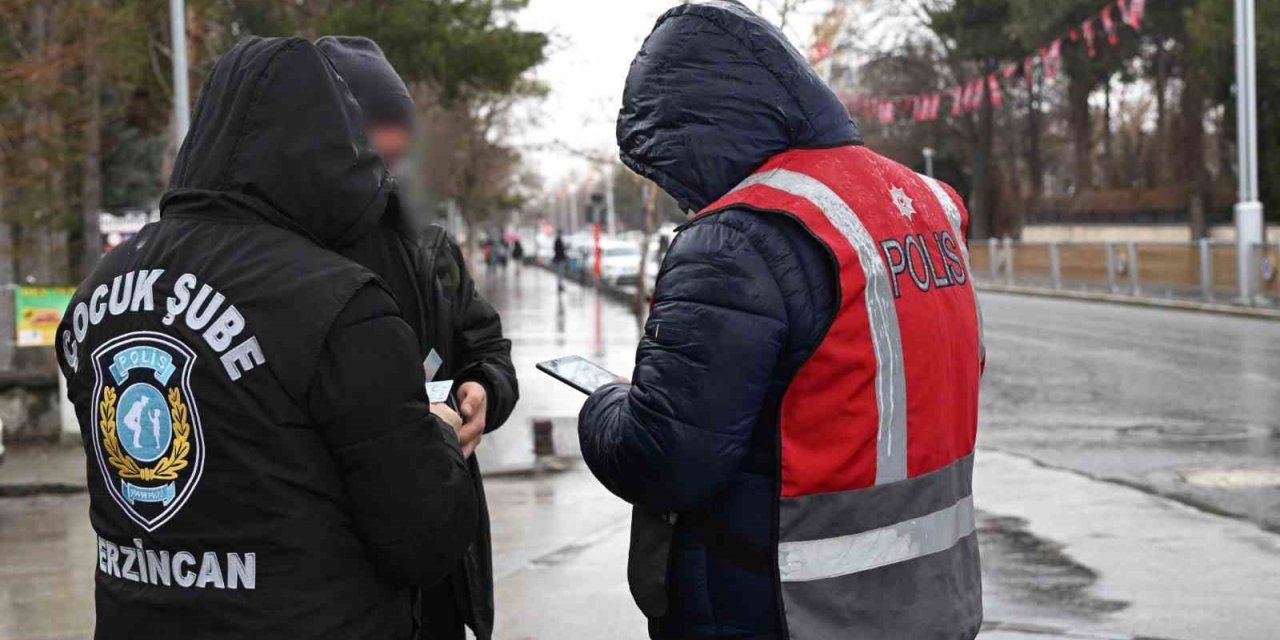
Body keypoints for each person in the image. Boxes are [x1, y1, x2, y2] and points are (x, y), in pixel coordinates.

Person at [578, 2, 985, 639]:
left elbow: (664, 461)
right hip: (933, 599)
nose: (678, 193)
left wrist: (603, 406)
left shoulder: (738, 237)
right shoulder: (927, 204)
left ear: (694, 134)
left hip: (786, 607)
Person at [56, 37, 477, 639]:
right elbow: (424, 537)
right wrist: (436, 431)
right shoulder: (340, 303)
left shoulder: (98, 293)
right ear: (328, 143)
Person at [316, 36, 519, 640]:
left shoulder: (431, 251)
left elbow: (487, 347)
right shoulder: (296, 256)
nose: (393, 151)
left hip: (441, 561)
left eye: (400, 133)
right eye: (379, 132)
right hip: (345, 568)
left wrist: (484, 391)